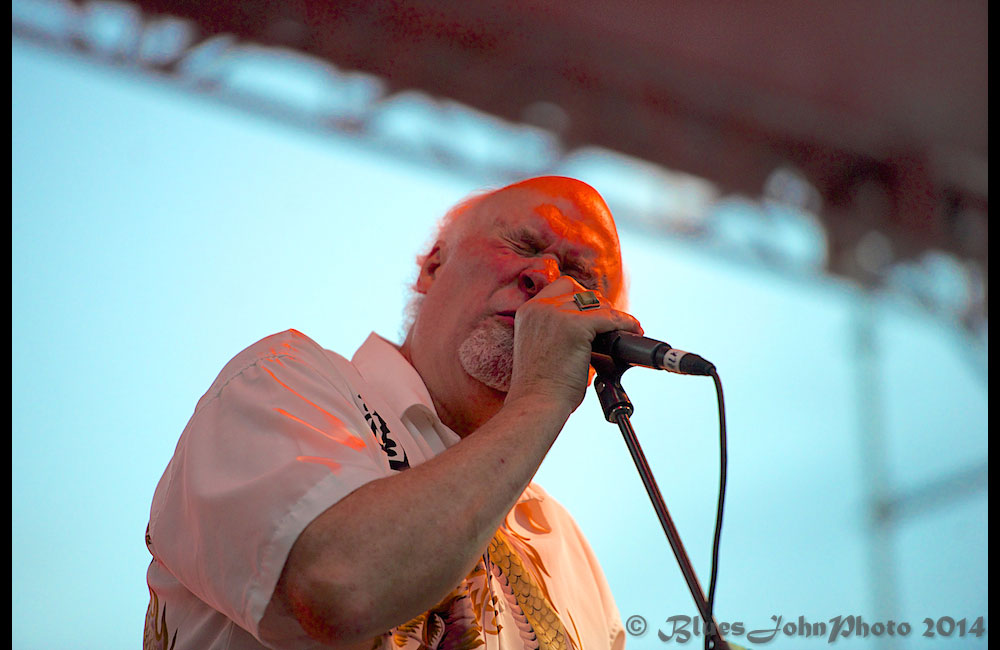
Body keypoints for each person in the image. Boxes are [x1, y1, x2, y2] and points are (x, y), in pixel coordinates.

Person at [144, 176, 643, 650]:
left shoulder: (570, 552)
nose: (545, 278)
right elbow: (340, 588)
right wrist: (542, 397)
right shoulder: (280, 382)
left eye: (580, 277)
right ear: (432, 267)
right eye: (523, 245)